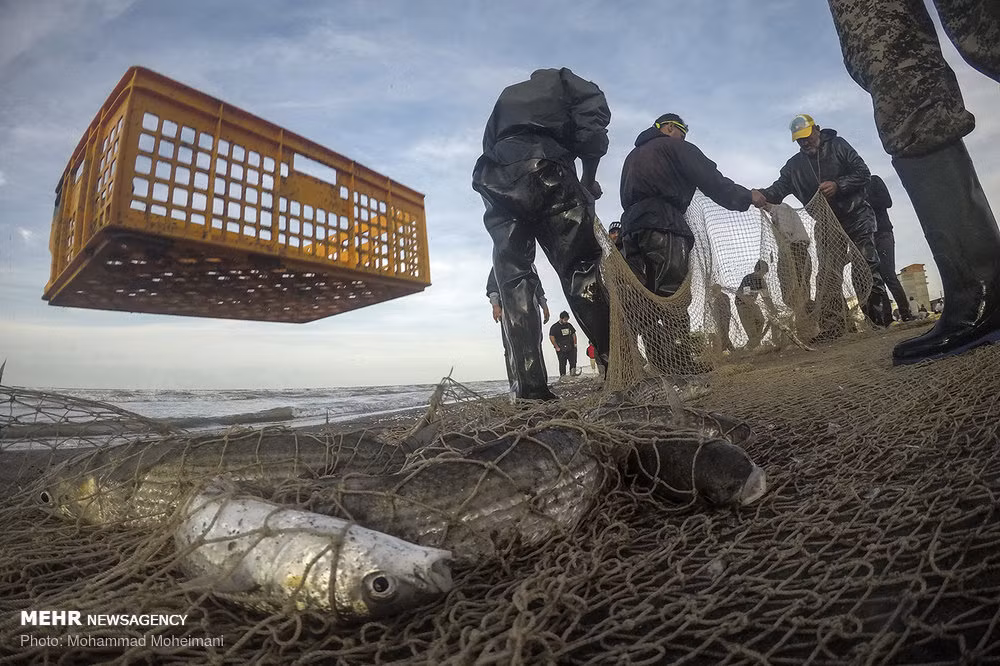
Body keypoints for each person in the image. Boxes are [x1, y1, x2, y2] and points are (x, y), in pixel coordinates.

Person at [827, 0, 1000, 365]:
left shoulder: (841, 151)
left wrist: (844, 187)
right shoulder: (802, 164)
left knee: (985, 20)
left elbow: (876, 193)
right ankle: (981, 284)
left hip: (872, 227)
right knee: (889, 57)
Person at [472, 67, 612, 400]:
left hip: (497, 176)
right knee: (580, 269)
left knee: (514, 279)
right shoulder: (564, 81)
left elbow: (490, 143)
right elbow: (593, 128)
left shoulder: (506, 97)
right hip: (547, 166)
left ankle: (530, 391)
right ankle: (617, 365)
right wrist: (587, 178)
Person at [619, 113, 754, 372]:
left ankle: (639, 360)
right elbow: (711, 179)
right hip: (664, 223)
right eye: (682, 133)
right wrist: (745, 197)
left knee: (641, 296)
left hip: (630, 229)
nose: (684, 138)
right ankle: (677, 362)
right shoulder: (673, 146)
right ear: (670, 128)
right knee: (674, 292)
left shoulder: (632, 157)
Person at [751, 114, 892, 336]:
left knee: (866, 266)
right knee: (827, 275)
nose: (805, 142)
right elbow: (777, 190)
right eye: (799, 140)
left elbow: (863, 173)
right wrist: (759, 194)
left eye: (807, 136)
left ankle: (879, 321)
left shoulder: (838, 145)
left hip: (856, 215)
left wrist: (839, 184)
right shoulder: (793, 166)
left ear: (817, 129)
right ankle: (834, 327)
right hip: (826, 224)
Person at [487, 266, 549, 388]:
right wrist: (495, 306)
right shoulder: (501, 260)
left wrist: (544, 304)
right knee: (511, 346)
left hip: (531, 309)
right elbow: (493, 286)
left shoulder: (530, 264)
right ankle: (516, 384)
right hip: (509, 310)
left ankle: (540, 383)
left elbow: (538, 286)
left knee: (535, 345)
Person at [866, 174, 913, 321]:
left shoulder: (873, 181)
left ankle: (905, 314)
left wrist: (863, 201)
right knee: (877, 278)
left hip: (883, 233)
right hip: (867, 238)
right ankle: (887, 318)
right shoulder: (850, 190)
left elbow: (887, 201)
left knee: (888, 274)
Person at [767, 202, 813, 321]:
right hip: (798, 250)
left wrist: (786, 255)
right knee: (801, 291)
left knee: (796, 291)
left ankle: (810, 323)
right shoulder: (785, 208)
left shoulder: (779, 209)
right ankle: (808, 323)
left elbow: (785, 231)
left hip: (793, 250)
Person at [734, 261, 776, 349]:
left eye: (764, 273)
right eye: (762, 272)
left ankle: (755, 342)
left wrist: (772, 308)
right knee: (751, 329)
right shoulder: (748, 278)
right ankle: (750, 346)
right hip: (742, 304)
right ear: (757, 270)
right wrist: (752, 306)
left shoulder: (762, 282)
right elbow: (745, 296)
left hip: (752, 304)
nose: (763, 275)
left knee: (761, 320)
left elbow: (766, 297)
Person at [549, 312, 578, 377]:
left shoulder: (569, 325)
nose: (566, 321)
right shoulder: (554, 327)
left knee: (573, 362)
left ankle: (573, 375)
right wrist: (556, 347)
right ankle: (563, 376)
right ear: (561, 318)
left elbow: (573, 334)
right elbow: (551, 337)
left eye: (567, 319)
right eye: (565, 320)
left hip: (571, 347)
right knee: (562, 363)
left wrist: (575, 343)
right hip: (561, 349)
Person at [710, 283, 736, 353]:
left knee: (724, 334)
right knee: (723, 334)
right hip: (720, 319)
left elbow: (725, 309)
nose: (713, 291)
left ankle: (729, 349)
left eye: (714, 289)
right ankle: (729, 349)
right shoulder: (716, 298)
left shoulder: (724, 297)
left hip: (724, 319)